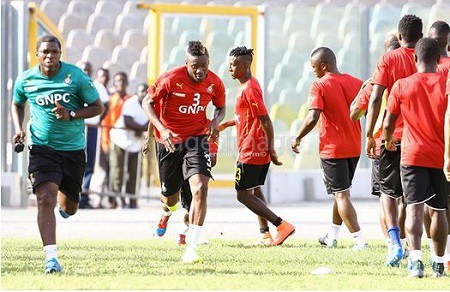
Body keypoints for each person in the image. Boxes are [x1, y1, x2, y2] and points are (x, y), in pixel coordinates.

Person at [11, 35, 104, 273]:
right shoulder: (27, 79)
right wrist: (19, 128)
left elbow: (98, 107)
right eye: (45, 52)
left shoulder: (76, 77)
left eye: (54, 52)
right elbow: (17, 103)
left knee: (69, 207)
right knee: (45, 199)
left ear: (60, 54)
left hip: (72, 149)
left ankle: (67, 206)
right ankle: (51, 258)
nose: (50, 56)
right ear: (37, 54)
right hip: (42, 147)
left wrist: (71, 114)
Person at [142, 41, 226, 263]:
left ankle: (192, 246)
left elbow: (220, 106)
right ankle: (166, 213)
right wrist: (161, 129)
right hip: (169, 142)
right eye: (195, 66)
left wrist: (216, 121)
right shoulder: (171, 78)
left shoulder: (215, 82)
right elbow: (147, 102)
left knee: (200, 188)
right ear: (186, 63)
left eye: (204, 65)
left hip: (196, 140)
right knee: (170, 197)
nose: (200, 71)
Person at [383, 37, 448, 278]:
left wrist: (388, 139)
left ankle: (415, 261)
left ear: (414, 58)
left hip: (412, 154)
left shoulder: (402, 85)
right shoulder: (447, 83)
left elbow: (388, 121)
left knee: (413, 208)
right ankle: (439, 263)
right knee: (439, 210)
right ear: (439, 60)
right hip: (440, 156)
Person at [291, 47, 367, 251]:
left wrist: (297, 137)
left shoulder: (319, 85)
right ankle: (332, 236)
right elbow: (367, 109)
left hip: (333, 149)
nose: (313, 71)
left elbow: (313, 116)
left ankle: (360, 241)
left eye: (314, 67)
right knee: (341, 192)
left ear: (324, 65)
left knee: (341, 195)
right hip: (354, 147)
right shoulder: (355, 82)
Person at [221, 46, 295, 246]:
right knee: (254, 190)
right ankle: (265, 234)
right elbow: (247, 117)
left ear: (244, 66)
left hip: (252, 149)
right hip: (252, 147)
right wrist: (226, 124)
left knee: (242, 194)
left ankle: (281, 225)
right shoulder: (245, 86)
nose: (229, 69)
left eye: (233, 65)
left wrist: (270, 148)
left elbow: (265, 119)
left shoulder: (250, 88)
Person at [365, 14, 423, 267]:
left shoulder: (389, 58)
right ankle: (414, 250)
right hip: (419, 138)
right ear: (420, 37)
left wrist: (369, 133)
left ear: (400, 37)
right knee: (413, 197)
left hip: (391, 136)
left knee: (388, 192)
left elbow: (375, 97)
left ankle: (393, 242)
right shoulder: (430, 59)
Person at [350, 34, 408, 255]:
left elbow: (354, 113)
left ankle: (393, 244)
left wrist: (363, 88)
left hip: (383, 143)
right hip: (412, 139)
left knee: (387, 196)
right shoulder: (415, 69)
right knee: (406, 198)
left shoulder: (378, 78)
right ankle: (405, 240)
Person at [425, 20, 450, 264]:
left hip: (434, 144)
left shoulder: (428, 71)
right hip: (442, 143)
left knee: (436, 206)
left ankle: (442, 253)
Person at [109, 83, 149, 208]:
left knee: (135, 172)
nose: (144, 94)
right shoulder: (131, 103)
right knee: (118, 171)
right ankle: (116, 200)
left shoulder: (150, 105)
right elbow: (128, 121)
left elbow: (151, 121)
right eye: (142, 91)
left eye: (146, 92)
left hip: (136, 143)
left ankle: (132, 200)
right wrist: (141, 128)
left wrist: (141, 129)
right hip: (121, 140)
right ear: (137, 92)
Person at [77, 62, 110, 209]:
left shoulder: (97, 86)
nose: (85, 72)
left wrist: (99, 120)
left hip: (91, 128)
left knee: (89, 162)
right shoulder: (73, 83)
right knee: (75, 159)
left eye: (88, 70)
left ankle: (83, 196)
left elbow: (106, 105)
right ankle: (71, 194)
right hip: (76, 126)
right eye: (83, 69)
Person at [101, 72, 130, 208]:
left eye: (123, 81)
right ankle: (114, 198)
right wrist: (106, 142)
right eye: (118, 81)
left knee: (128, 169)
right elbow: (106, 122)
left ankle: (128, 197)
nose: (120, 83)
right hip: (114, 139)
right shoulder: (111, 100)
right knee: (114, 170)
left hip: (129, 140)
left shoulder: (131, 100)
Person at [88, 67, 111, 208]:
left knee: (94, 165)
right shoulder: (80, 83)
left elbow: (106, 106)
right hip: (81, 128)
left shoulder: (99, 88)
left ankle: (90, 197)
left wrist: (98, 120)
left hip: (96, 130)